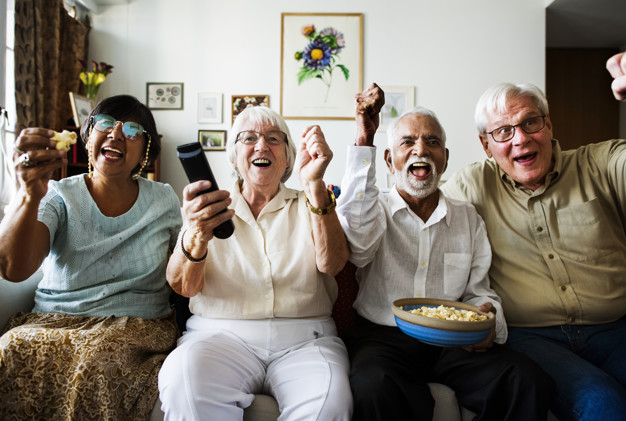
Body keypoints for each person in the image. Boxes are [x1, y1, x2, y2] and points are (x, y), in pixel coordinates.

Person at [335, 83, 554, 421]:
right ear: (389, 160)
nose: (420, 150)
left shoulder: (467, 217)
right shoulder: (372, 208)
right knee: (374, 385)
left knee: (524, 379)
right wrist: (365, 136)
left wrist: (488, 322)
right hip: (383, 339)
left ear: (445, 158)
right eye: (408, 142)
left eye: (432, 142)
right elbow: (358, 243)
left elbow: (479, 292)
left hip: (452, 340)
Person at [441, 51, 626, 420]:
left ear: (549, 125)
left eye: (531, 123)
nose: (520, 139)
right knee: (604, 404)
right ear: (486, 145)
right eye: (503, 132)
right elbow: (417, 220)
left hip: (615, 330)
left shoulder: (601, 164)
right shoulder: (472, 185)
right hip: (533, 337)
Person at [158, 106, 353, 420]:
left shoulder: (314, 202)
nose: (261, 146)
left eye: (273, 139)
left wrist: (315, 184)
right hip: (218, 336)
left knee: (328, 402)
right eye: (248, 138)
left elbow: (333, 265)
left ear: (289, 158)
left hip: (306, 339)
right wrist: (197, 232)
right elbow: (183, 286)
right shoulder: (207, 208)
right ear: (235, 156)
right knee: (184, 383)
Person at [0, 95, 182, 419]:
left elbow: (183, 270)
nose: (116, 135)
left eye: (132, 129)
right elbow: (15, 268)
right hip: (54, 319)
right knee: (12, 347)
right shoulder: (57, 193)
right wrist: (28, 195)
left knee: (100, 356)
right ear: (87, 137)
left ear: (146, 150)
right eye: (106, 124)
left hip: (134, 327)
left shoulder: (164, 199)